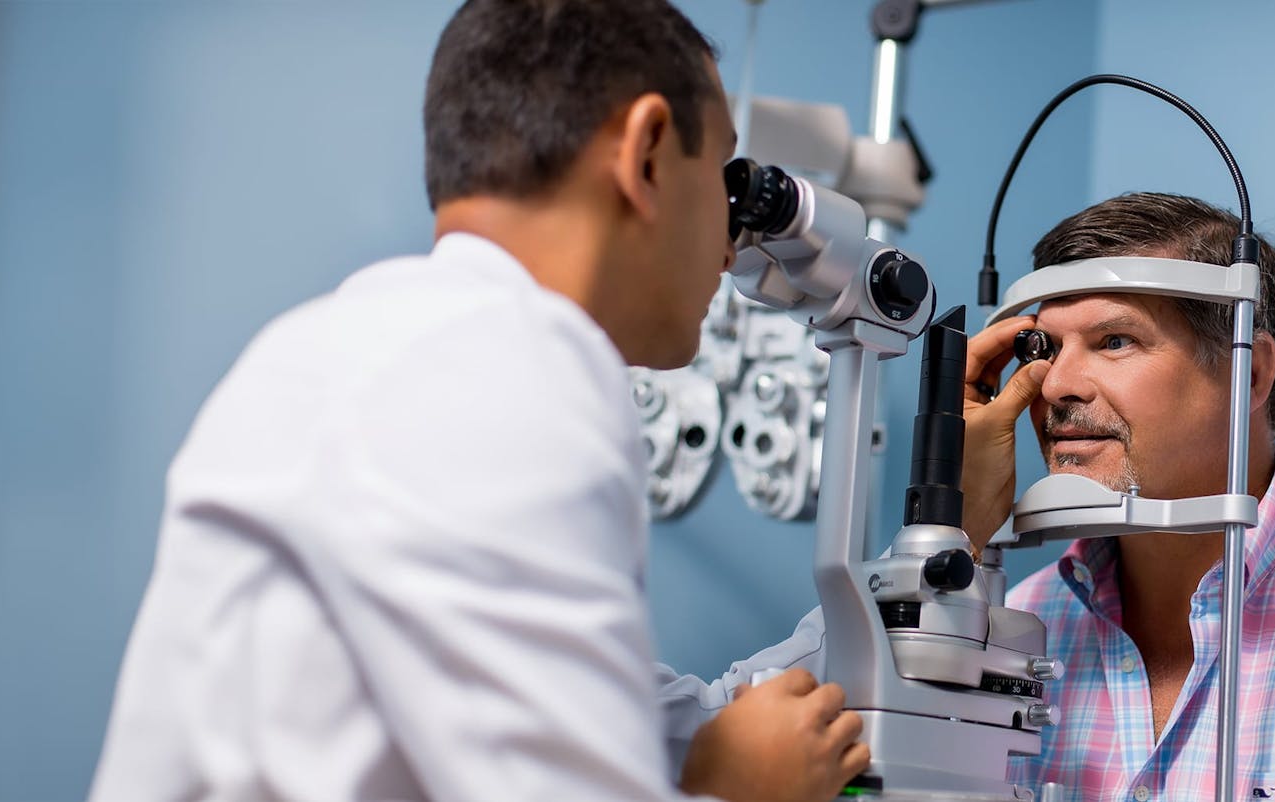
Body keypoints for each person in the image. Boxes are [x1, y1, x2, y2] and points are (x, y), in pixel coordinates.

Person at [88, 2, 867, 800]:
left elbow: (685, 729)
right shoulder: (502, 374)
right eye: (722, 179)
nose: (732, 243)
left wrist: (939, 549)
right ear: (649, 154)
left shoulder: (359, 348)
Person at [667, 192, 1275, 799]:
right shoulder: (1002, 632)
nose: (1056, 385)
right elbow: (766, 732)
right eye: (1040, 348)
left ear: (1252, 372)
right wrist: (953, 532)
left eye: (1116, 341)